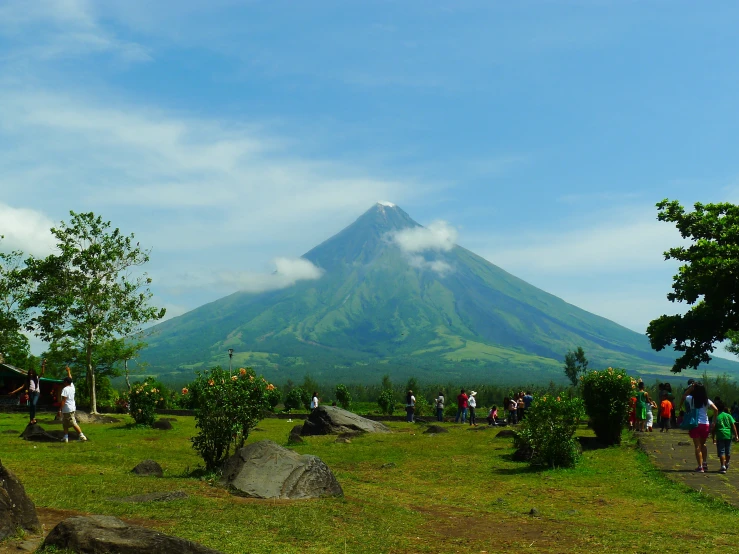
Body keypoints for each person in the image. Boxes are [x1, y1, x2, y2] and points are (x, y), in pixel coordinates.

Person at [683, 381, 717, 472]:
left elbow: (684, 396)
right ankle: (705, 462)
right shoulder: (706, 400)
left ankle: (700, 466)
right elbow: (716, 409)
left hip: (695, 424)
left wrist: (690, 388)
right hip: (705, 424)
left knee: (697, 446)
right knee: (703, 444)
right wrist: (714, 421)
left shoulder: (691, 398)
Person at [8, 359, 46, 424]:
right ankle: (31, 419)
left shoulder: (36, 377)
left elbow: (42, 373)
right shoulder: (27, 380)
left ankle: (33, 417)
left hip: (36, 393)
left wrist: (43, 365)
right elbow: (22, 387)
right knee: (31, 406)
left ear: (34, 373)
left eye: (32, 373)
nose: (31, 374)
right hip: (31, 393)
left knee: (34, 404)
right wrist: (13, 392)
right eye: (30, 373)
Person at [58, 366, 87, 443]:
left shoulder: (65, 389)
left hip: (67, 408)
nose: (63, 383)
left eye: (64, 382)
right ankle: (66, 437)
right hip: (71, 407)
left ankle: (81, 435)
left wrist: (60, 410)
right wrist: (68, 371)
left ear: (66, 382)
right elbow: (70, 378)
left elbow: (63, 400)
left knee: (73, 423)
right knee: (65, 423)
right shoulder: (72, 387)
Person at [712, 401, 739, 474]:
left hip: (720, 435)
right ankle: (727, 463)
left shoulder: (716, 416)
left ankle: (723, 466)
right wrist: (736, 435)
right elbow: (733, 426)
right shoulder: (728, 415)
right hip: (728, 435)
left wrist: (713, 437)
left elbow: (713, 428)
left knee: (721, 451)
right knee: (728, 451)